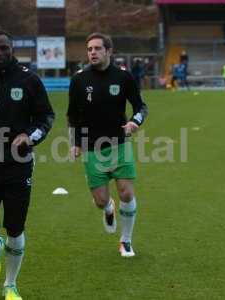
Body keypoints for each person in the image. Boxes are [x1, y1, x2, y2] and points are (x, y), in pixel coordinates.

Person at [0, 29, 54, 300]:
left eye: (3, 48)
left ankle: (10, 284)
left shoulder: (29, 80)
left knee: (15, 228)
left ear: (11, 49)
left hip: (18, 164)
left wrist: (29, 136)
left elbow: (46, 117)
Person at [67, 32, 148, 257]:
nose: (92, 52)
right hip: (91, 147)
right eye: (89, 49)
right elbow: (72, 115)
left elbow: (141, 107)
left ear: (109, 51)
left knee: (126, 193)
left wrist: (134, 122)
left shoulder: (124, 77)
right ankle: (108, 208)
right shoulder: (79, 79)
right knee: (101, 201)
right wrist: (75, 142)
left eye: (97, 48)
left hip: (119, 144)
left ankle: (126, 241)